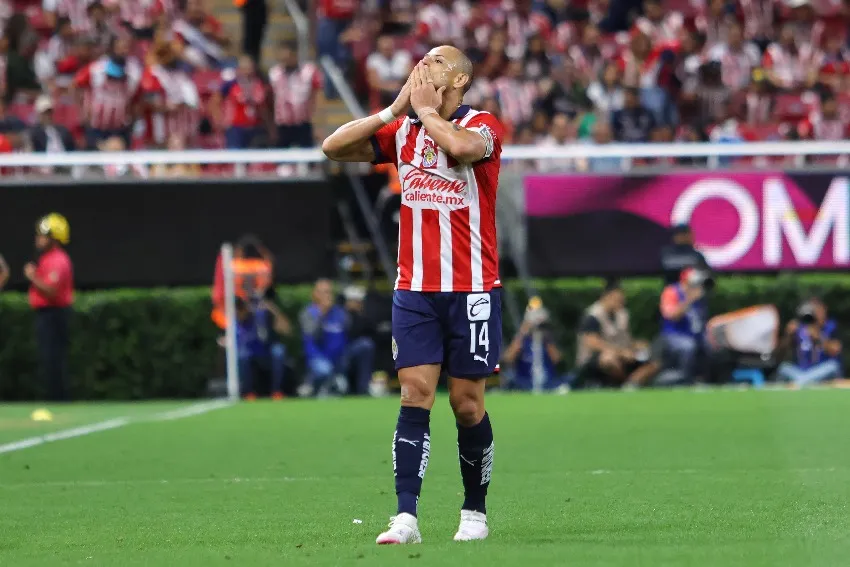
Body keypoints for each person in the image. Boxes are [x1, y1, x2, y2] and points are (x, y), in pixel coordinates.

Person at [323, 44, 504, 544]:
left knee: (467, 404)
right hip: (415, 289)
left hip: (471, 289)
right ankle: (406, 517)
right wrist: (392, 109)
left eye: (438, 62)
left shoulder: (484, 124)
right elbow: (333, 147)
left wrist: (425, 111)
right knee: (415, 394)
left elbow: (464, 150)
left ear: (461, 80)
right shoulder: (402, 127)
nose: (425, 65)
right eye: (422, 60)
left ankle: (475, 512)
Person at [575, 279, 659, 389]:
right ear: (606, 297)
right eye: (617, 299)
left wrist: (636, 345)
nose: (620, 302)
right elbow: (592, 343)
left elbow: (626, 339)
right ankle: (620, 384)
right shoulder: (592, 316)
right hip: (594, 361)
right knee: (609, 359)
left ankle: (631, 384)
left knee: (654, 362)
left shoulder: (622, 314)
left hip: (623, 355)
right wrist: (621, 352)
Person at [25, 213, 74, 401]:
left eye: (42, 235)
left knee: (53, 359)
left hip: (54, 315)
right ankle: (54, 397)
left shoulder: (57, 260)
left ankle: (58, 399)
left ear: (54, 238)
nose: (38, 239)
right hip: (47, 315)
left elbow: (52, 290)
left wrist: (32, 276)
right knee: (48, 359)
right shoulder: (48, 258)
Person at [231, 295, 291, 400]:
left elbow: (287, 330)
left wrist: (273, 310)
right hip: (251, 357)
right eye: (238, 309)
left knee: (279, 351)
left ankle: (276, 391)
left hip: (267, 354)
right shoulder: (236, 324)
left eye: (242, 307)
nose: (240, 311)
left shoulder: (261, 316)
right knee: (242, 355)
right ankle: (248, 392)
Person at [502, 297, 567, 392]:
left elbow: (557, 359)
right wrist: (522, 332)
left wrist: (546, 337)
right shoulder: (522, 340)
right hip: (525, 381)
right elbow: (508, 358)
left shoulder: (547, 339)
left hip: (548, 381)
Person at [298, 279, 350, 397]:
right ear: (315, 294)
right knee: (324, 370)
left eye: (329, 292)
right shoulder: (308, 313)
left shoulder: (339, 312)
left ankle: (361, 388)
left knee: (365, 346)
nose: (328, 296)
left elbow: (348, 331)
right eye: (324, 292)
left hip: (339, 359)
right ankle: (311, 385)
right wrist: (322, 313)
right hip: (318, 358)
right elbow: (311, 334)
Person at [658, 267, 710, 384]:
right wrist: (689, 299)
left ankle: (706, 380)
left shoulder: (700, 296)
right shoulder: (672, 292)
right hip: (673, 334)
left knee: (711, 346)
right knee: (688, 346)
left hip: (695, 334)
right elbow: (671, 315)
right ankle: (686, 380)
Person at [777, 298, 842, 386]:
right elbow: (780, 351)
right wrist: (788, 334)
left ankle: (800, 383)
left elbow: (835, 349)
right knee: (783, 368)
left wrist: (819, 337)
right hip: (799, 371)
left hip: (821, 370)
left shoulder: (830, 326)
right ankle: (805, 381)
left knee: (833, 366)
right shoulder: (799, 327)